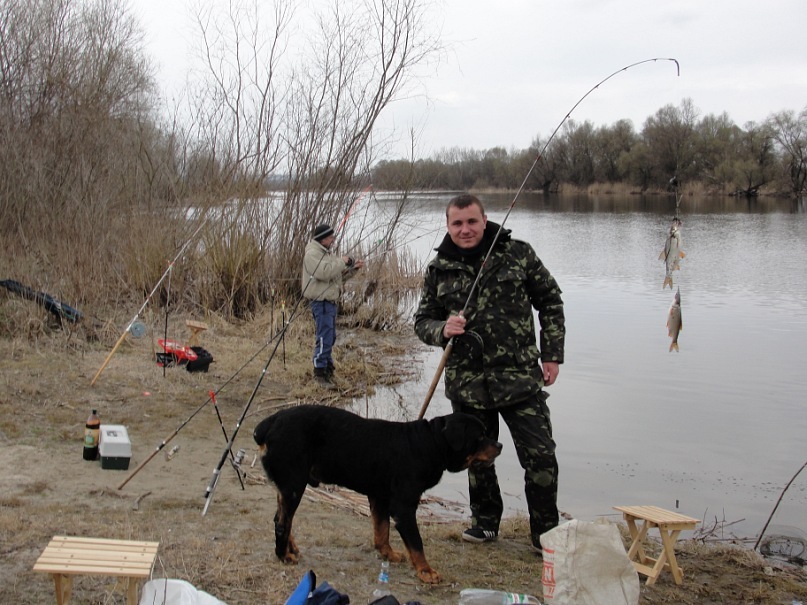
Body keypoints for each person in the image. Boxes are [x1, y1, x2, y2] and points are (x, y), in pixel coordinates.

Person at [414, 193, 565, 551]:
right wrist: (442, 330)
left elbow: (550, 301)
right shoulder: (438, 269)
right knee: (477, 461)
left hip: (521, 381)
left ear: (485, 220)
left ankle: (545, 535)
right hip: (468, 384)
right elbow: (422, 321)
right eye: (457, 223)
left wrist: (552, 355)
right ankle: (485, 523)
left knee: (541, 457)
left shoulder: (518, 254)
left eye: (471, 222)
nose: (465, 230)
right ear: (448, 226)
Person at [302, 223, 364, 385]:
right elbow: (324, 273)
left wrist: (353, 269)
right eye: (331, 238)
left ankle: (328, 369)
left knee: (330, 336)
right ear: (323, 239)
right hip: (320, 302)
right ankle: (320, 372)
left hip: (329, 302)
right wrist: (342, 261)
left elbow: (335, 279)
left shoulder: (326, 253)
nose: (333, 240)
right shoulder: (312, 254)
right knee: (324, 337)